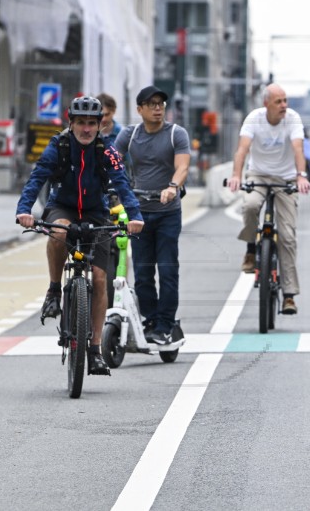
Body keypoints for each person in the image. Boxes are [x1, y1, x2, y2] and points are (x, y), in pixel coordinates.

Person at [16, 96, 144, 375]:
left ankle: (95, 350)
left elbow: (122, 183)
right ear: (71, 123)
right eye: (81, 123)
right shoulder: (58, 145)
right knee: (58, 229)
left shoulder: (107, 150)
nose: (86, 129)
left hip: (96, 212)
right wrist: (24, 209)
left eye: (92, 124)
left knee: (99, 279)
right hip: (63, 206)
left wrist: (135, 216)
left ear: (100, 126)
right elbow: (37, 178)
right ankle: (53, 289)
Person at [113, 85, 191, 345]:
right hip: (139, 214)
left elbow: (182, 166)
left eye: (161, 104)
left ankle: (166, 324)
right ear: (140, 109)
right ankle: (151, 320)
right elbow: (111, 162)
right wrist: (110, 187)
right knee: (144, 273)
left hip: (168, 213)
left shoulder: (176, 134)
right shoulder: (129, 134)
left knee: (168, 270)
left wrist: (172, 186)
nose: (158, 108)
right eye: (152, 104)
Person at [226, 83, 310, 315]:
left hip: (285, 179)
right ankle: (251, 250)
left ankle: (289, 295)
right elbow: (242, 149)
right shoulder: (254, 118)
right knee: (251, 205)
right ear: (266, 104)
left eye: (285, 100)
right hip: (259, 174)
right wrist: (236, 175)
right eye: (278, 102)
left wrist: (301, 177)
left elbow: (297, 149)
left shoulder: (292, 119)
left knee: (287, 237)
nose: (284, 105)